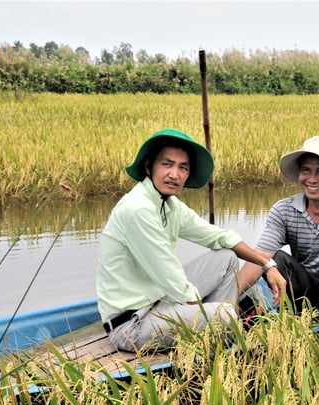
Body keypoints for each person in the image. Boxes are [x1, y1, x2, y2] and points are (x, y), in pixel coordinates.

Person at [96, 128, 285, 352]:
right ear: (149, 167)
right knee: (225, 315)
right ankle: (221, 334)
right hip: (132, 325)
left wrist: (267, 264)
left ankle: (218, 337)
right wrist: (215, 314)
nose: (174, 174)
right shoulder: (138, 209)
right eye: (167, 164)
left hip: (159, 302)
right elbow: (171, 277)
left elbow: (219, 237)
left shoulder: (169, 206)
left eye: (182, 167)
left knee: (226, 257)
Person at [237, 135, 319, 319]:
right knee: (276, 259)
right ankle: (301, 313)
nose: (312, 179)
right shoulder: (283, 210)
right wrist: (228, 299)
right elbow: (260, 256)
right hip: (306, 289)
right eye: (306, 170)